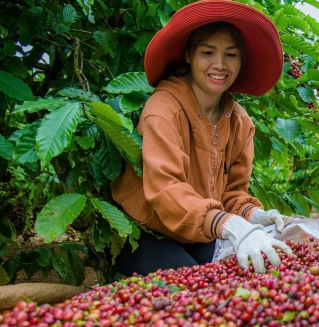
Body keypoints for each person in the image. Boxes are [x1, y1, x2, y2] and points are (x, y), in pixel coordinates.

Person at [111, 0, 292, 276]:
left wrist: (255, 217)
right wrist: (231, 226)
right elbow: (167, 190)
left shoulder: (240, 122)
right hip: (143, 234)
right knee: (201, 291)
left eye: (231, 55)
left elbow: (232, 193)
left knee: (244, 280)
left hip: (201, 232)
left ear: (241, 61)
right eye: (208, 52)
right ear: (189, 56)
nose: (219, 65)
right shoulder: (163, 110)